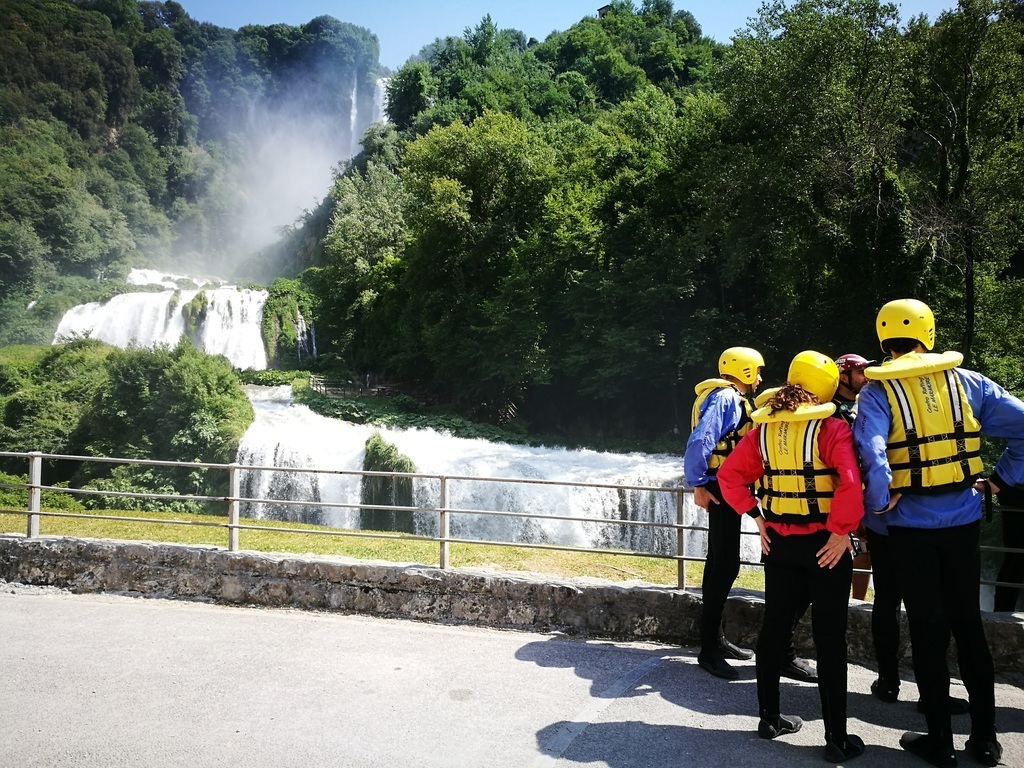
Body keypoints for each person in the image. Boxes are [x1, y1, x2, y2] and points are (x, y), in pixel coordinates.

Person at [854, 298, 1024, 768]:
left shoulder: (877, 391)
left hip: (908, 528)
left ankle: (941, 744)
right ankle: (986, 740)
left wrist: (879, 499)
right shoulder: (967, 382)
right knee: (968, 625)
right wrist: (1004, 478)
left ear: (882, 339)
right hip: (965, 523)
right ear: (928, 334)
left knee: (928, 629)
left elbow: (870, 451)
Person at [718, 351, 865, 763]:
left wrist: (757, 517)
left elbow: (729, 477)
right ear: (824, 385)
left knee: (774, 630)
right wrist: (841, 532)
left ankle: (769, 719)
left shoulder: (762, 430)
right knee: (830, 639)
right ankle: (836, 740)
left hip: (779, 545)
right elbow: (851, 483)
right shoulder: (832, 427)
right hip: (825, 546)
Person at [833, 353, 876, 602]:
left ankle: (859, 603)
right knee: (854, 550)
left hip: (866, 487)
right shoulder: (830, 411)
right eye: (860, 372)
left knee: (867, 549)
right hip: (844, 492)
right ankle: (852, 603)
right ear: (843, 376)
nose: (865, 377)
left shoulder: (863, 403)